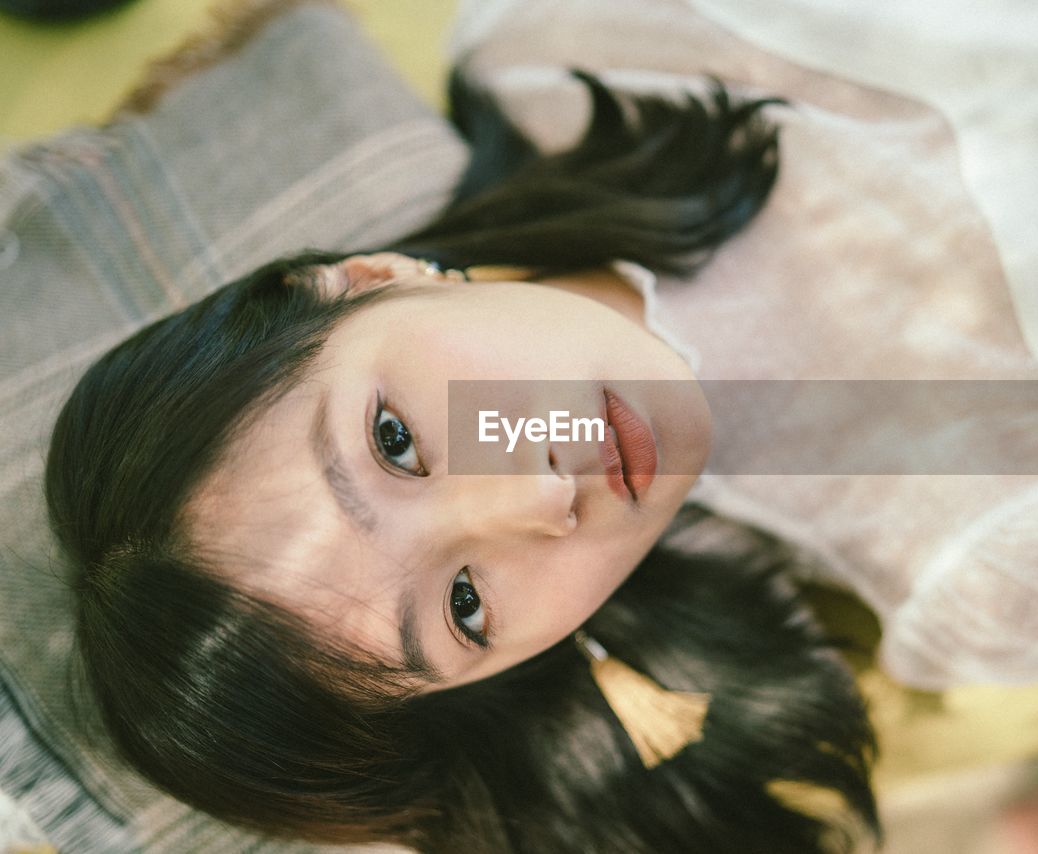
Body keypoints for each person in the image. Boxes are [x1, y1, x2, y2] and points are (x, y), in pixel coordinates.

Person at [44, 71, 880, 853]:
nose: (544, 496)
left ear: (364, 279)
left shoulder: (566, 58)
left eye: (395, 442)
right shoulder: (950, 551)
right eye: (466, 604)